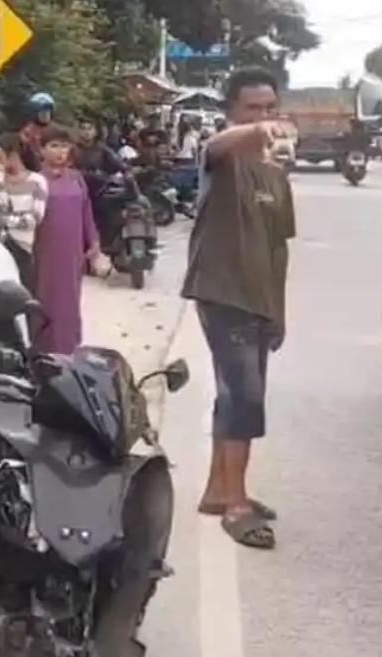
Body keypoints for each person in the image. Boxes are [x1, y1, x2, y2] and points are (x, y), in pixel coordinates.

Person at [182, 67, 295, 550]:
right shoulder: (221, 157)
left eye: (270, 108)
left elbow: (278, 246)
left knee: (237, 394)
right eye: (253, 108)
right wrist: (255, 130)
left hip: (258, 298)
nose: (264, 116)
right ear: (232, 111)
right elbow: (216, 146)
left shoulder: (275, 170)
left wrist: (278, 310)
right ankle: (236, 505)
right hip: (221, 291)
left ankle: (218, 491)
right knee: (244, 397)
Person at [29, 124, 101, 355]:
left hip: (73, 254)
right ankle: (44, 353)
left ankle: (69, 351)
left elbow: (86, 211)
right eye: (54, 146)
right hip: (45, 253)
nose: (60, 151)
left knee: (70, 303)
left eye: (64, 146)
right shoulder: (36, 181)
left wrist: (93, 242)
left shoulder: (76, 178)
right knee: (47, 303)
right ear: (42, 149)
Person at [0, 134, 48, 286]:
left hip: (23, 246)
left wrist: (5, 220)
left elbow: (35, 218)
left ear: (13, 155)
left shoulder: (37, 181)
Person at [19, 92, 56, 171]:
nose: (45, 114)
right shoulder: (27, 132)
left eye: (48, 111)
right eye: (42, 111)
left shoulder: (56, 131)